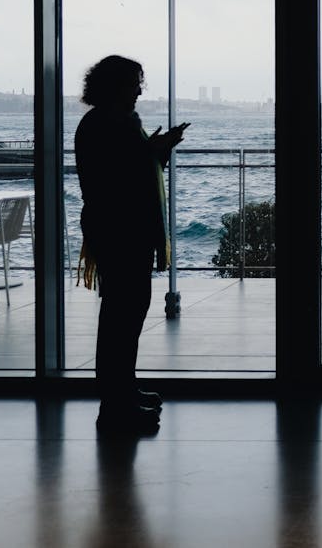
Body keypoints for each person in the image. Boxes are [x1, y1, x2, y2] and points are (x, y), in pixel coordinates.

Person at [75, 55, 189, 434]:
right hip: (121, 230)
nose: (140, 90)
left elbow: (129, 167)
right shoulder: (110, 124)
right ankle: (115, 405)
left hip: (118, 229)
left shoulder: (106, 122)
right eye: (134, 83)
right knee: (122, 318)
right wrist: (157, 149)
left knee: (124, 315)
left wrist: (155, 149)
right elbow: (125, 175)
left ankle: (121, 392)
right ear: (116, 86)